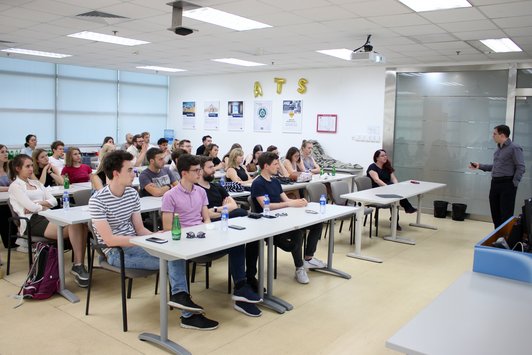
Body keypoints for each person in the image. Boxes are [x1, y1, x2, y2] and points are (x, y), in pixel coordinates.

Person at [89, 150, 217, 330]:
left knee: (173, 251)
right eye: (130, 169)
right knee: (170, 258)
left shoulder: (131, 194)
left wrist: (157, 236)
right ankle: (186, 312)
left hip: (136, 244)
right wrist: (143, 241)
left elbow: (140, 229)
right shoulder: (97, 201)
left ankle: (181, 301)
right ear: (116, 173)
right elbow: (109, 240)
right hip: (116, 253)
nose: (134, 173)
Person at [161, 154, 262, 319]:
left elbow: (206, 219)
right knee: (174, 253)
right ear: (184, 173)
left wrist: (211, 233)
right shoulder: (170, 196)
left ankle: (241, 288)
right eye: (195, 171)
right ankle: (183, 301)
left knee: (236, 241)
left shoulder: (200, 192)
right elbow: (167, 229)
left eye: (200, 170)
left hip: (202, 236)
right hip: (185, 241)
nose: (199, 173)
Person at [247, 152, 326, 287]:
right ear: (266, 166)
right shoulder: (258, 183)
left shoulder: (275, 181)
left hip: (282, 218)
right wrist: (290, 204)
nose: (278, 167)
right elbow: (267, 206)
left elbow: (286, 200)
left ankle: (308, 258)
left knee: (317, 223)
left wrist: (299, 202)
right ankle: (300, 267)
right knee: (297, 233)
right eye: (275, 164)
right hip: (268, 224)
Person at [9, 154, 88, 286]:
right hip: (31, 221)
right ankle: (78, 266)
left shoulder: (36, 183)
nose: (31, 169)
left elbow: (53, 201)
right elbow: (30, 207)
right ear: (17, 168)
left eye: (31, 166)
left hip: (48, 214)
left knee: (80, 224)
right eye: (27, 166)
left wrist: (39, 203)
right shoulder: (15, 186)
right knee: (76, 225)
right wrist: (40, 206)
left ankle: (78, 265)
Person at [470, 124, 526, 228]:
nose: (493, 136)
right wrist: (480, 166)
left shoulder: (514, 148)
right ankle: (498, 238)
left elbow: (521, 167)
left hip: (507, 185)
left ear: (502, 135)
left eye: (494, 134)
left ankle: (506, 240)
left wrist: (514, 184)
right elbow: (496, 167)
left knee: (505, 215)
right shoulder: (498, 149)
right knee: (495, 214)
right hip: (495, 184)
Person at [367, 149, 417, 231]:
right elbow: (377, 180)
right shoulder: (372, 167)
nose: (385, 157)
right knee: (396, 196)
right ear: (377, 158)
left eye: (385, 155)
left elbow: (393, 178)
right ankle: (407, 208)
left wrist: (396, 186)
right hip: (377, 190)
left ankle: (395, 221)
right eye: (382, 156)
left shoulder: (387, 166)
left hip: (388, 188)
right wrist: (389, 188)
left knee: (396, 198)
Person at [196, 156, 247, 221]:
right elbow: (203, 214)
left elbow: (234, 205)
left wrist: (216, 209)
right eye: (210, 167)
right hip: (209, 222)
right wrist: (225, 209)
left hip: (223, 218)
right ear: (200, 170)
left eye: (213, 166)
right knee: (240, 213)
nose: (214, 170)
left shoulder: (217, 187)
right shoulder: (196, 190)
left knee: (241, 211)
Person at [0, 144, 12, 248]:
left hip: (9, 199)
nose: (6, 154)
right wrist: (9, 188)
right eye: (2, 152)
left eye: (6, 151)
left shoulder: (7, 168)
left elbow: (14, 183)